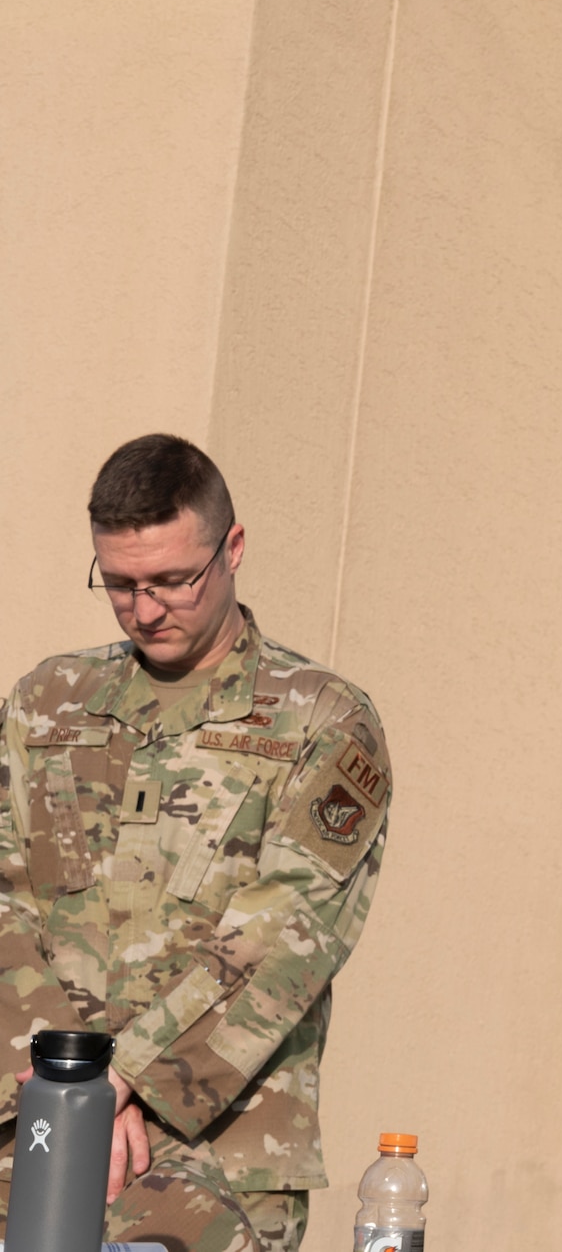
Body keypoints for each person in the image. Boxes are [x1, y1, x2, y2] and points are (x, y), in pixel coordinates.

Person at [0, 435, 393, 1252]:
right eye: (120, 583)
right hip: (24, 1137)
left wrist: (120, 1084)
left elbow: (286, 936)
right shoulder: (47, 703)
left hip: (212, 1172)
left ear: (233, 548)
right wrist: (61, 1093)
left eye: (174, 580)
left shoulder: (320, 719)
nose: (146, 610)